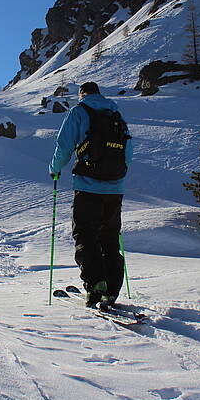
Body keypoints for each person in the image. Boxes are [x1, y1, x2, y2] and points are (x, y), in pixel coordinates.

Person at [49, 81, 133, 308]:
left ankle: (96, 286)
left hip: (88, 187)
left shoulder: (79, 111)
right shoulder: (115, 114)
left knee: (86, 235)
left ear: (82, 94)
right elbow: (128, 153)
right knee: (109, 238)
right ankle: (112, 290)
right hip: (115, 188)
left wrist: (54, 169)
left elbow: (64, 146)